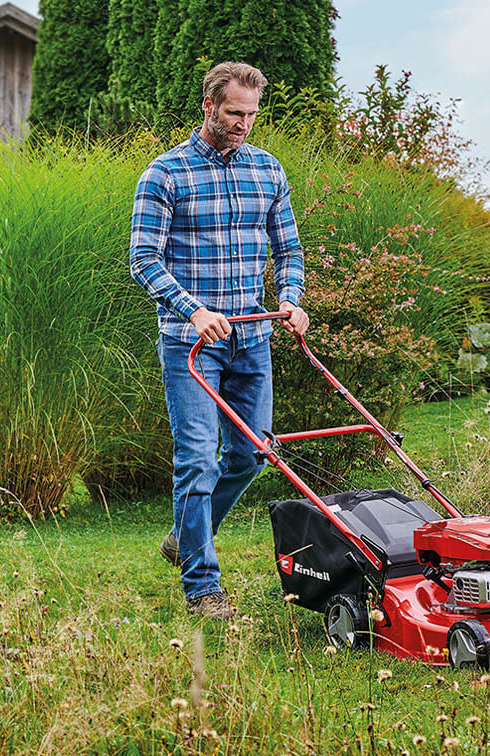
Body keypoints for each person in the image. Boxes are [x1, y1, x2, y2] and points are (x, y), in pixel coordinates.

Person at [129, 61, 309, 620]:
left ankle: (186, 536)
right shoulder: (166, 174)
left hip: (252, 336)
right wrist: (195, 308)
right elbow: (143, 260)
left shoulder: (267, 170)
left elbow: (288, 251)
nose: (244, 123)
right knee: (197, 462)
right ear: (209, 106)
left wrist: (292, 297)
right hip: (191, 342)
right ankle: (203, 587)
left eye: (252, 114)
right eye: (235, 112)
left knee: (255, 454)